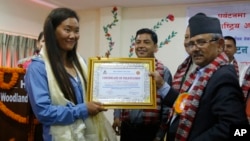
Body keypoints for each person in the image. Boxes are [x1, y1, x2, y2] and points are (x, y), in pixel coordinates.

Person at [150, 13, 248, 141]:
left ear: (219, 45)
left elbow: (239, 129)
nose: (194, 49)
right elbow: (184, 105)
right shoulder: (199, 73)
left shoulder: (223, 76)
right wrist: (162, 86)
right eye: (192, 44)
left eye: (201, 42)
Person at [24, 7, 117, 141]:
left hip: (87, 135)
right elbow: (44, 113)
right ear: (52, 32)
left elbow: (94, 93)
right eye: (67, 30)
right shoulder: (38, 68)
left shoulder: (81, 64)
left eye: (76, 31)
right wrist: (82, 110)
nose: (73, 36)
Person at [112, 28, 172, 141]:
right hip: (127, 130)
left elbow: (167, 108)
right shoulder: (127, 68)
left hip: (150, 132)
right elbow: (119, 94)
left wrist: (160, 134)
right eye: (138, 42)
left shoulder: (163, 71)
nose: (141, 45)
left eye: (146, 42)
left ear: (155, 47)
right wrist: (116, 116)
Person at [172, 26, 197, 91]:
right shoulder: (183, 66)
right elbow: (177, 97)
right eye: (186, 37)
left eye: (192, 37)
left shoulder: (208, 68)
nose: (188, 41)